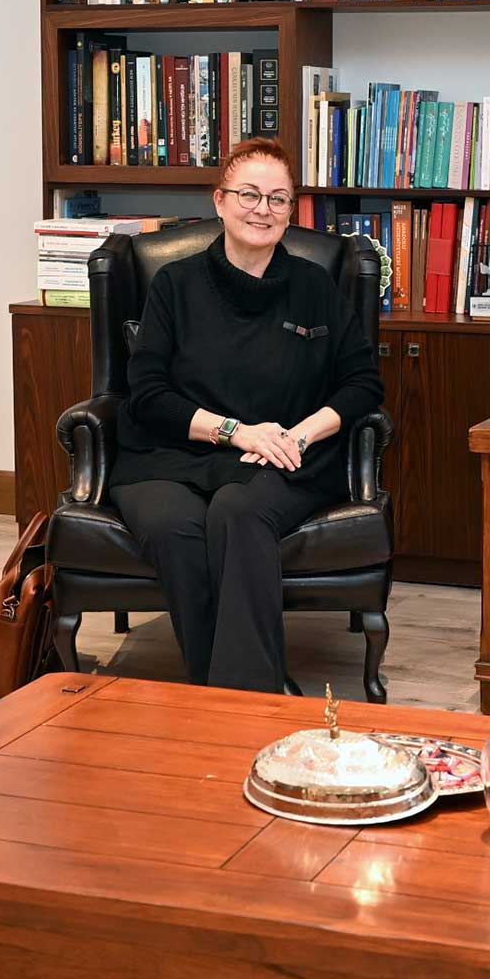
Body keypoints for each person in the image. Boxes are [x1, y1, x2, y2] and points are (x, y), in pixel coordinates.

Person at [107, 138, 383, 692]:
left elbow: (363, 384)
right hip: (173, 453)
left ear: (291, 210)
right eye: (249, 194)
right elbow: (148, 395)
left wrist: (301, 435)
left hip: (283, 455)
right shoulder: (175, 284)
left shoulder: (314, 286)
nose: (263, 209)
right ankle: (249, 693)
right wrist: (234, 432)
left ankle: (235, 697)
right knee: (172, 526)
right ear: (220, 200)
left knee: (238, 510)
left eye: (278, 199)